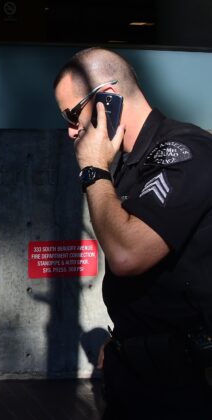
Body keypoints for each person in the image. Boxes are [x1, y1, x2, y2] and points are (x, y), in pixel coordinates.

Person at [53, 47, 212, 418]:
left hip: (183, 384)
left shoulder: (184, 153)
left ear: (107, 100)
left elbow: (127, 255)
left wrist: (93, 170)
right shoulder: (128, 166)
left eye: (74, 114)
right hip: (137, 373)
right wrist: (127, 338)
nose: (71, 130)